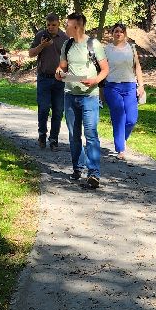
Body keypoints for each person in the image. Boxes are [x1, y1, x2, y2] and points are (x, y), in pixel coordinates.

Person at [56, 12, 108, 188]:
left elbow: (105, 69)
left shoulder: (94, 44)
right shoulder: (67, 44)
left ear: (76, 26)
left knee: (91, 134)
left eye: (67, 24)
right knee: (74, 135)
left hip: (90, 97)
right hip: (70, 95)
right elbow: (62, 67)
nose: (65, 27)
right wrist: (58, 73)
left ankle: (94, 174)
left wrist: (94, 80)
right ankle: (77, 168)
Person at [102, 23, 146, 158]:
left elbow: (137, 67)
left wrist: (141, 85)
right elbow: (102, 69)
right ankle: (120, 148)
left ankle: (122, 139)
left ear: (125, 34)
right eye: (116, 31)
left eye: (121, 31)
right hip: (112, 87)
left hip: (130, 86)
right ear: (112, 33)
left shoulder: (131, 48)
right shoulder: (106, 49)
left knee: (132, 119)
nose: (118, 34)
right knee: (119, 116)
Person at [27, 14, 67, 150]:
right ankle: (42, 135)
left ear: (58, 24)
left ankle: (54, 139)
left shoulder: (65, 38)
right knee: (43, 108)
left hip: (59, 79)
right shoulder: (41, 35)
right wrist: (42, 45)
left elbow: (69, 59)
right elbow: (31, 53)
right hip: (44, 78)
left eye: (53, 25)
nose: (50, 27)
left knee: (58, 110)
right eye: (48, 25)